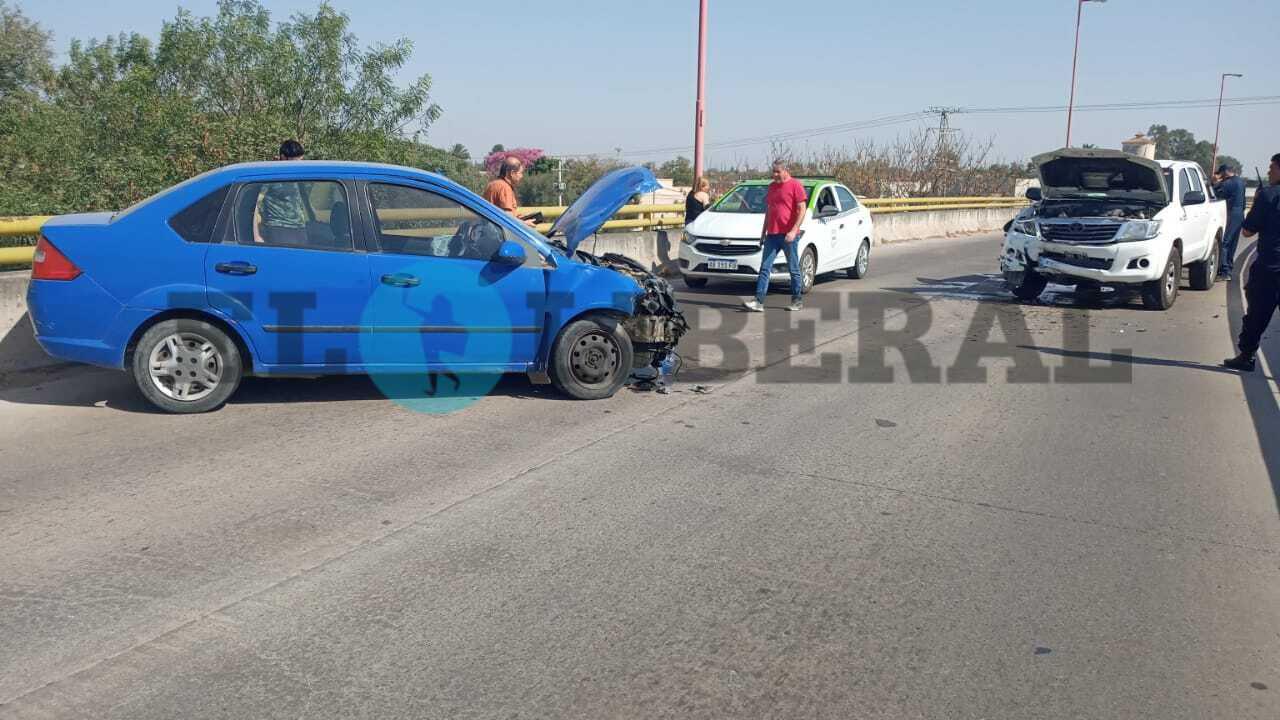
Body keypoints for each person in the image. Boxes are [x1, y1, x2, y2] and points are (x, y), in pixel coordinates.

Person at [1223, 153, 1280, 372]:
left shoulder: (1268, 195)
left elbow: (1247, 231)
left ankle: (1246, 355)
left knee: (1257, 315)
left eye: (1272, 167)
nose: (1269, 172)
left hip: (1270, 267)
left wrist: (1257, 202)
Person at [744, 160, 807, 312]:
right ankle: (759, 301)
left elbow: (802, 210)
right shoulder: (772, 187)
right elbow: (769, 210)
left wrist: (793, 230)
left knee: (793, 269)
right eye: (773, 171)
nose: (775, 175)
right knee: (765, 267)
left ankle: (797, 300)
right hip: (772, 234)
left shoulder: (795, 185)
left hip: (789, 235)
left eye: (778, 171)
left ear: (786, 171)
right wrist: (763, 233)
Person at [253, 139, 308, 243]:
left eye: (301, 160)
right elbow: (254, 205)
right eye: (295, 161)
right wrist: (257, 236)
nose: (299, 165)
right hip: (279, 228)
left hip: (300, 228)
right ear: (283, 157)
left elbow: (300, 199)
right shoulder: (270, 176)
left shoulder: (298, 174)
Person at [1213, 163, 1247, 280]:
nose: (1220, 175)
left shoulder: (1228, 183)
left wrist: (1215, 182)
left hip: (1231, 213)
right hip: (1240, 214)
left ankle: (1224, 271)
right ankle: (1229, 268)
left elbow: (1214, 193)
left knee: (1225, 243)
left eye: (1221, 173)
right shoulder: (1241, 182)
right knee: (1233, 243)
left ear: (1226, 172)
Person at [482, 157, 536, 227]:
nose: (522, 176)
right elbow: (507, 218)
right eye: (520, 173)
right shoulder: (505, 188)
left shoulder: (492, 184)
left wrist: (519, 217)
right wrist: (524, 224)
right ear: (512, 173)